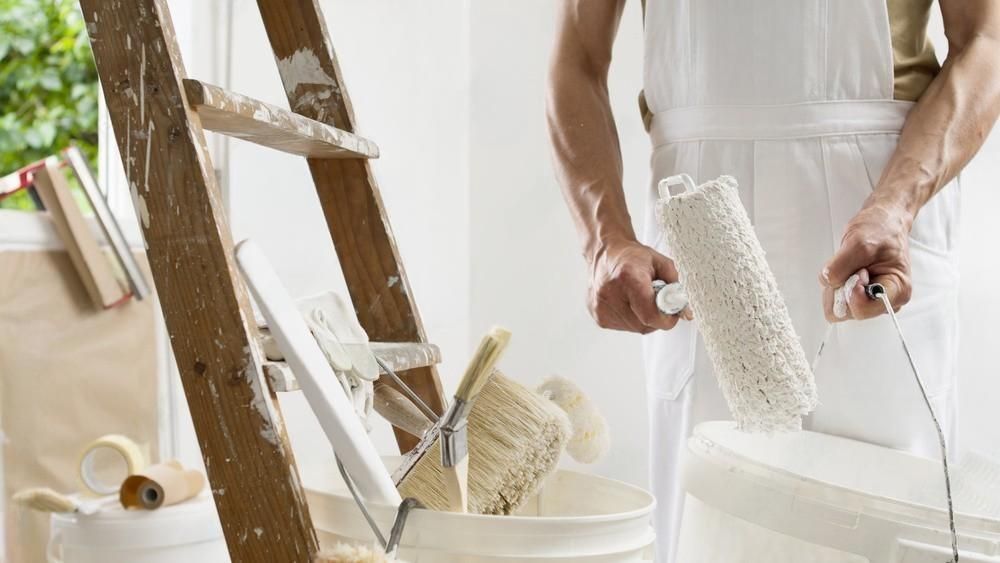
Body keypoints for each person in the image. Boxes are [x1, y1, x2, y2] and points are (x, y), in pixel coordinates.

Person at [546, 1, 1000, 561]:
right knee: (711, 518)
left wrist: (898, 206)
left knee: (892, 520)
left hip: (879, 200)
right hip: (700, 216)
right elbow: (577, 57)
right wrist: (604, 242)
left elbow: (985, 40)